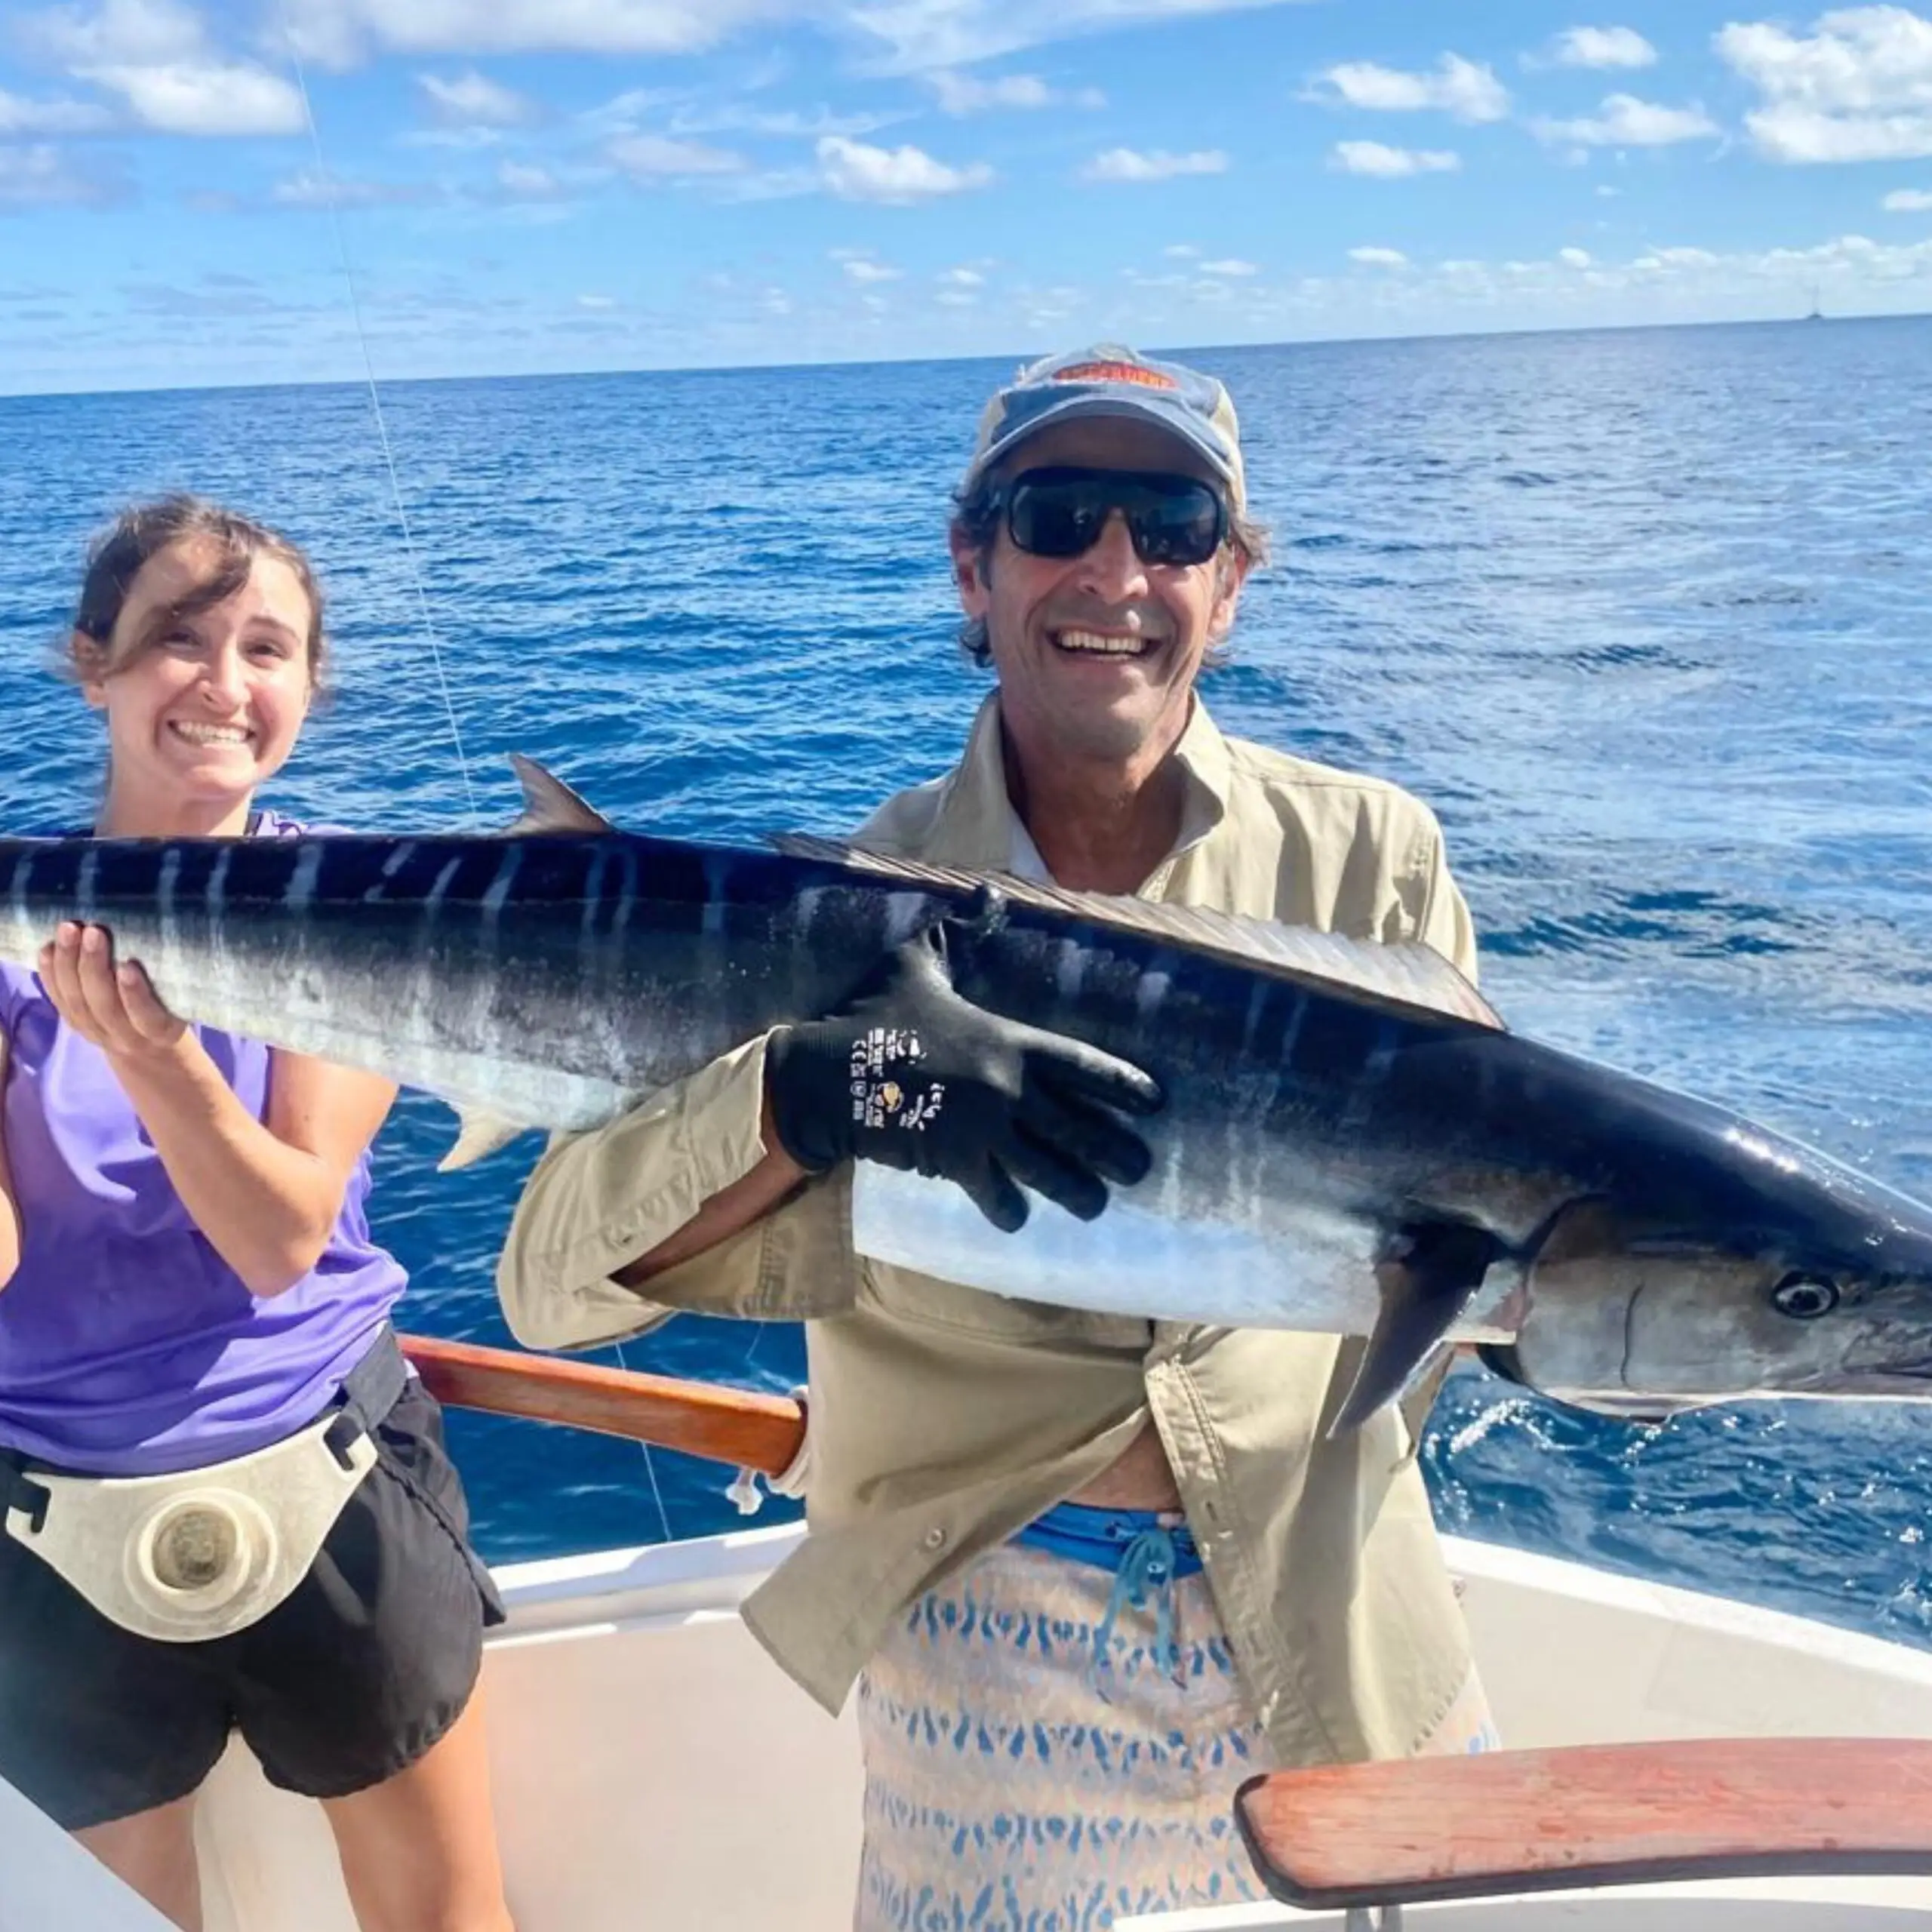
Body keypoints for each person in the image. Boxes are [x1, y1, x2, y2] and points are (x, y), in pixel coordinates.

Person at [497, 346, 1497, 1928]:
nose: (1115, 570)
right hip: (990, 1625)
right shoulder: (845, 903)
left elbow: (1481, 1230)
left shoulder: (1371, 862)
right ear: (973, 566)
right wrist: (820, 1094)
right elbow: (553, 1284)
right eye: (1056, 514)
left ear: (1226, 586)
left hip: (1341, 1605)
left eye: (1170, 523)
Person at [0, 497, 515, 1932]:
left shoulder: (362, 907)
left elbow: (280, 1236)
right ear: (94, 663)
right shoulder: (8, 916)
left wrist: (156, 1058)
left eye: (267, 648)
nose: (225, 684)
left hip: (333, 1478)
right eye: (179, 639)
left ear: (307, 687)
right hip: (45, 1527)